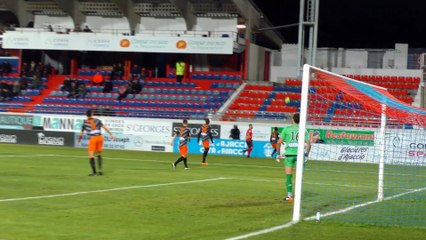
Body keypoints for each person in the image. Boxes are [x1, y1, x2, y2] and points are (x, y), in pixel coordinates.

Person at [276, 113, 311, 202]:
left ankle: (289, 195)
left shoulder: (287, 129)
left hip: (289, 155)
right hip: (300, 156)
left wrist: (277, 153)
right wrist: (306, 155)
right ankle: (298, 195)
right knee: (299, 176)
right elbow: (309, 144)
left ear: (293, 119)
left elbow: (279, 142)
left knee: (288, 176)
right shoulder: (304, 130)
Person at [77, 109, 115, 176]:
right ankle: (100, 171)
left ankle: (94, 172)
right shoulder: (97, 120)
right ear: (92, 114)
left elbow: (81, 134)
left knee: (91, 155)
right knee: (99, 154)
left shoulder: (85, 123)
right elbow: (105, 128)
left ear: (86, 115)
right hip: (100, 137)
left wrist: (79, 140)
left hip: (93, 138)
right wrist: (111, 134)